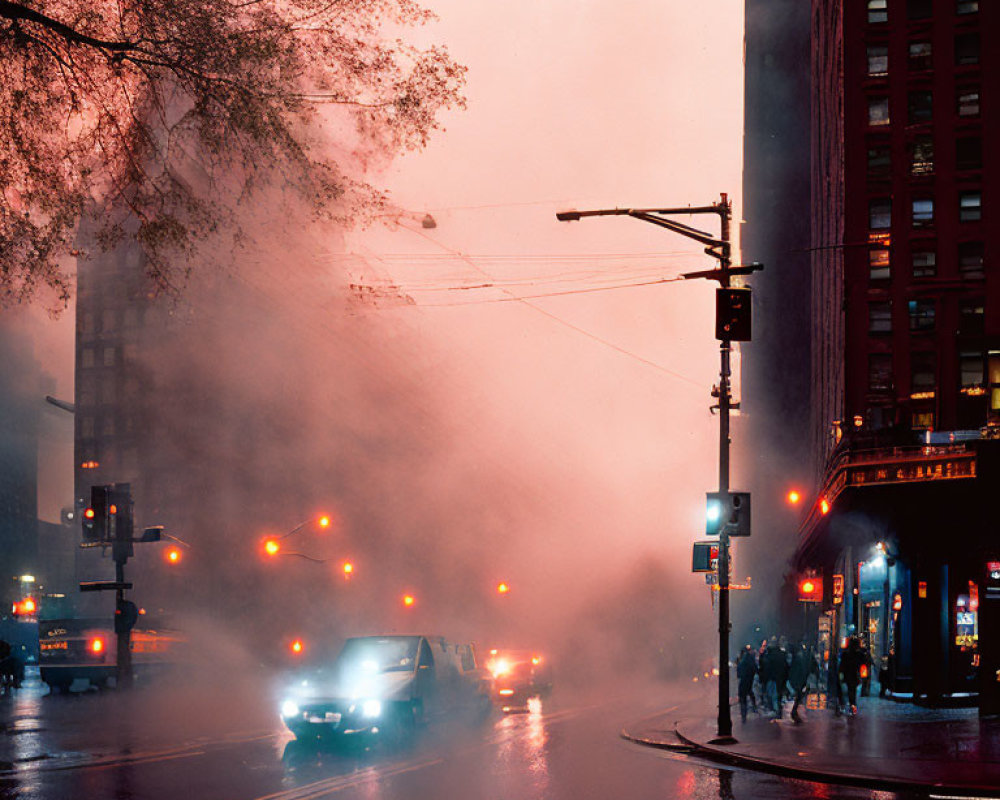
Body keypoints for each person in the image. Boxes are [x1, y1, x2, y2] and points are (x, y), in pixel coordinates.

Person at [789, 643, 818, 723]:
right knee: (800, 695)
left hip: (799, 678)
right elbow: (813, 667)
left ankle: (794, 712)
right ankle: (794, 712)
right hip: (802, 678)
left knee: (799, 695)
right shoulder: (807, 657)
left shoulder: (800, 656)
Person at [760, 636, 788, 718]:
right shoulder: (782, 654)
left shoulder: (768, 655)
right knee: (777, 695)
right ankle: (778, 711)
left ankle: (775, 711)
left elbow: (764, 666)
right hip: (779, 678)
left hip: (771, 678)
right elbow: (785, 667)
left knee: (771, 695)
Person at [839, 636, 864, 715]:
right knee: (853, 691)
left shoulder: (846, 654)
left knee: (849, 690)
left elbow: (842, 665)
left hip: (848, 674)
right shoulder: (859, 654)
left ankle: (849, 706)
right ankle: (853, 706)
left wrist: (841, 673)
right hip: (855, 674)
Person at [737, 645, 758, 722]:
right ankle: (754, 708)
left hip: (744, 680)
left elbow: (739, 673)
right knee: (749, 693)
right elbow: (755, 669)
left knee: (743, 697)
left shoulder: (742, 660)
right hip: (749, 680)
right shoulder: (750, 659)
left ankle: (744, 715)